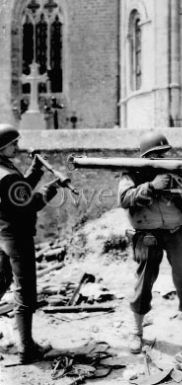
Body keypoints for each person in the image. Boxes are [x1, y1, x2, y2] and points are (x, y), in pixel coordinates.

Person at [118, 132, 182, 354]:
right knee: (144, 281)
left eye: (164, 153)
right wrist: (152, 186)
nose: (162, 157)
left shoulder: (176, 170)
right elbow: (124, 199)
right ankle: (136, 333)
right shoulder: (132, 173)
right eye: (156, 154)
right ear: (147, 155)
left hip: (177, 231)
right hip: (147, 234)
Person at [0, 124, 61, 364]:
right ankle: (27, 349)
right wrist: (50, 190)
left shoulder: (2, 169)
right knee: (25, 292)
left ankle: (26, 344)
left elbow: (19, 192)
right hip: (17, 237)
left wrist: (36, 169)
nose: (18, 146)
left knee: (2, 281)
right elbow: (27, 207)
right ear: (2, 147)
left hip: (2, 234)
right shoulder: (8, 173)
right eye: (14, 144)